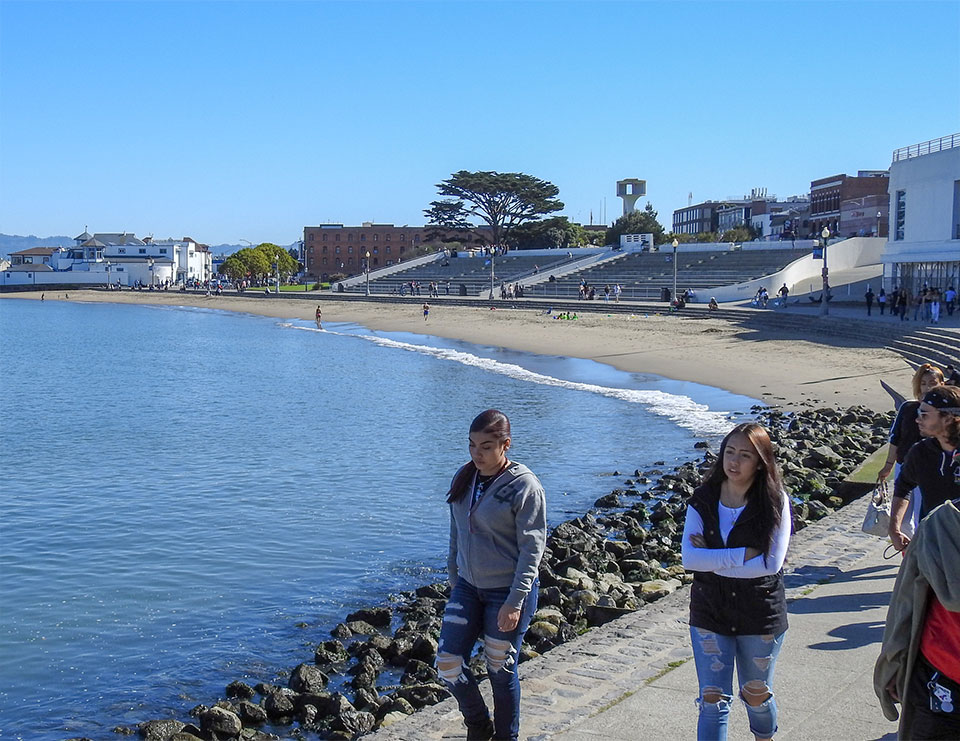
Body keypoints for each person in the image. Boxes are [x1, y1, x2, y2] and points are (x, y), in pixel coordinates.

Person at [437, 410, 546, 741]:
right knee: (448, 664)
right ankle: (478, 723)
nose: (477, 454)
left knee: (499, 669)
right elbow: (456, 530)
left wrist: (515, 601)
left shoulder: (524, 487)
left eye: (486, 446)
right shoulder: (465, 477)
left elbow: (533, 549)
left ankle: (505, 737)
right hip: (468, 588)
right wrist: (455, 576)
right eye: (471, 445)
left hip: (507, 591)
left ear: (505, 445)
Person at [682, 423, 792, 741]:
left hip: (760, 613)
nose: (734, 461)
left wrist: (713, 559)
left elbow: (770, 565)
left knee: (755, 694)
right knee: (712, 700)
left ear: (760, 461)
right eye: (729, 452)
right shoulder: (703, 499)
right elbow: (689, 560)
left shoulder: (775, 501)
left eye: (745, 455)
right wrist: (742, 554)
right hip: (710, 610)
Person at [874, 490, 960, 740]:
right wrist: (895, 663)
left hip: (939, 680)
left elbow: (905, 604)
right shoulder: (938, 524)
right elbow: (907, 602)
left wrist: (893, 662)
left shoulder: (940, 524)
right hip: (938, 678)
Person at [878, 364, 945, 548]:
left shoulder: (945, 413)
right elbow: (895, 438)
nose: (928, 387)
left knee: (922, 512)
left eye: (932, 383)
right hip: (904, 466)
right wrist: (888, 466)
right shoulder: (907, 408)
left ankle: (922, 553)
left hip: (929, 469)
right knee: (903, 517)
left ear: (941, 384)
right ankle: (909, 553)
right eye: (923, 383)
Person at [888, 385, 960, 552]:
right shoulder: (920, 452)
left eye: (924, 415)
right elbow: (903, 487)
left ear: (948, 418)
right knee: (909, 579)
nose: (917, 419)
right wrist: (894, 528)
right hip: (932, 544)